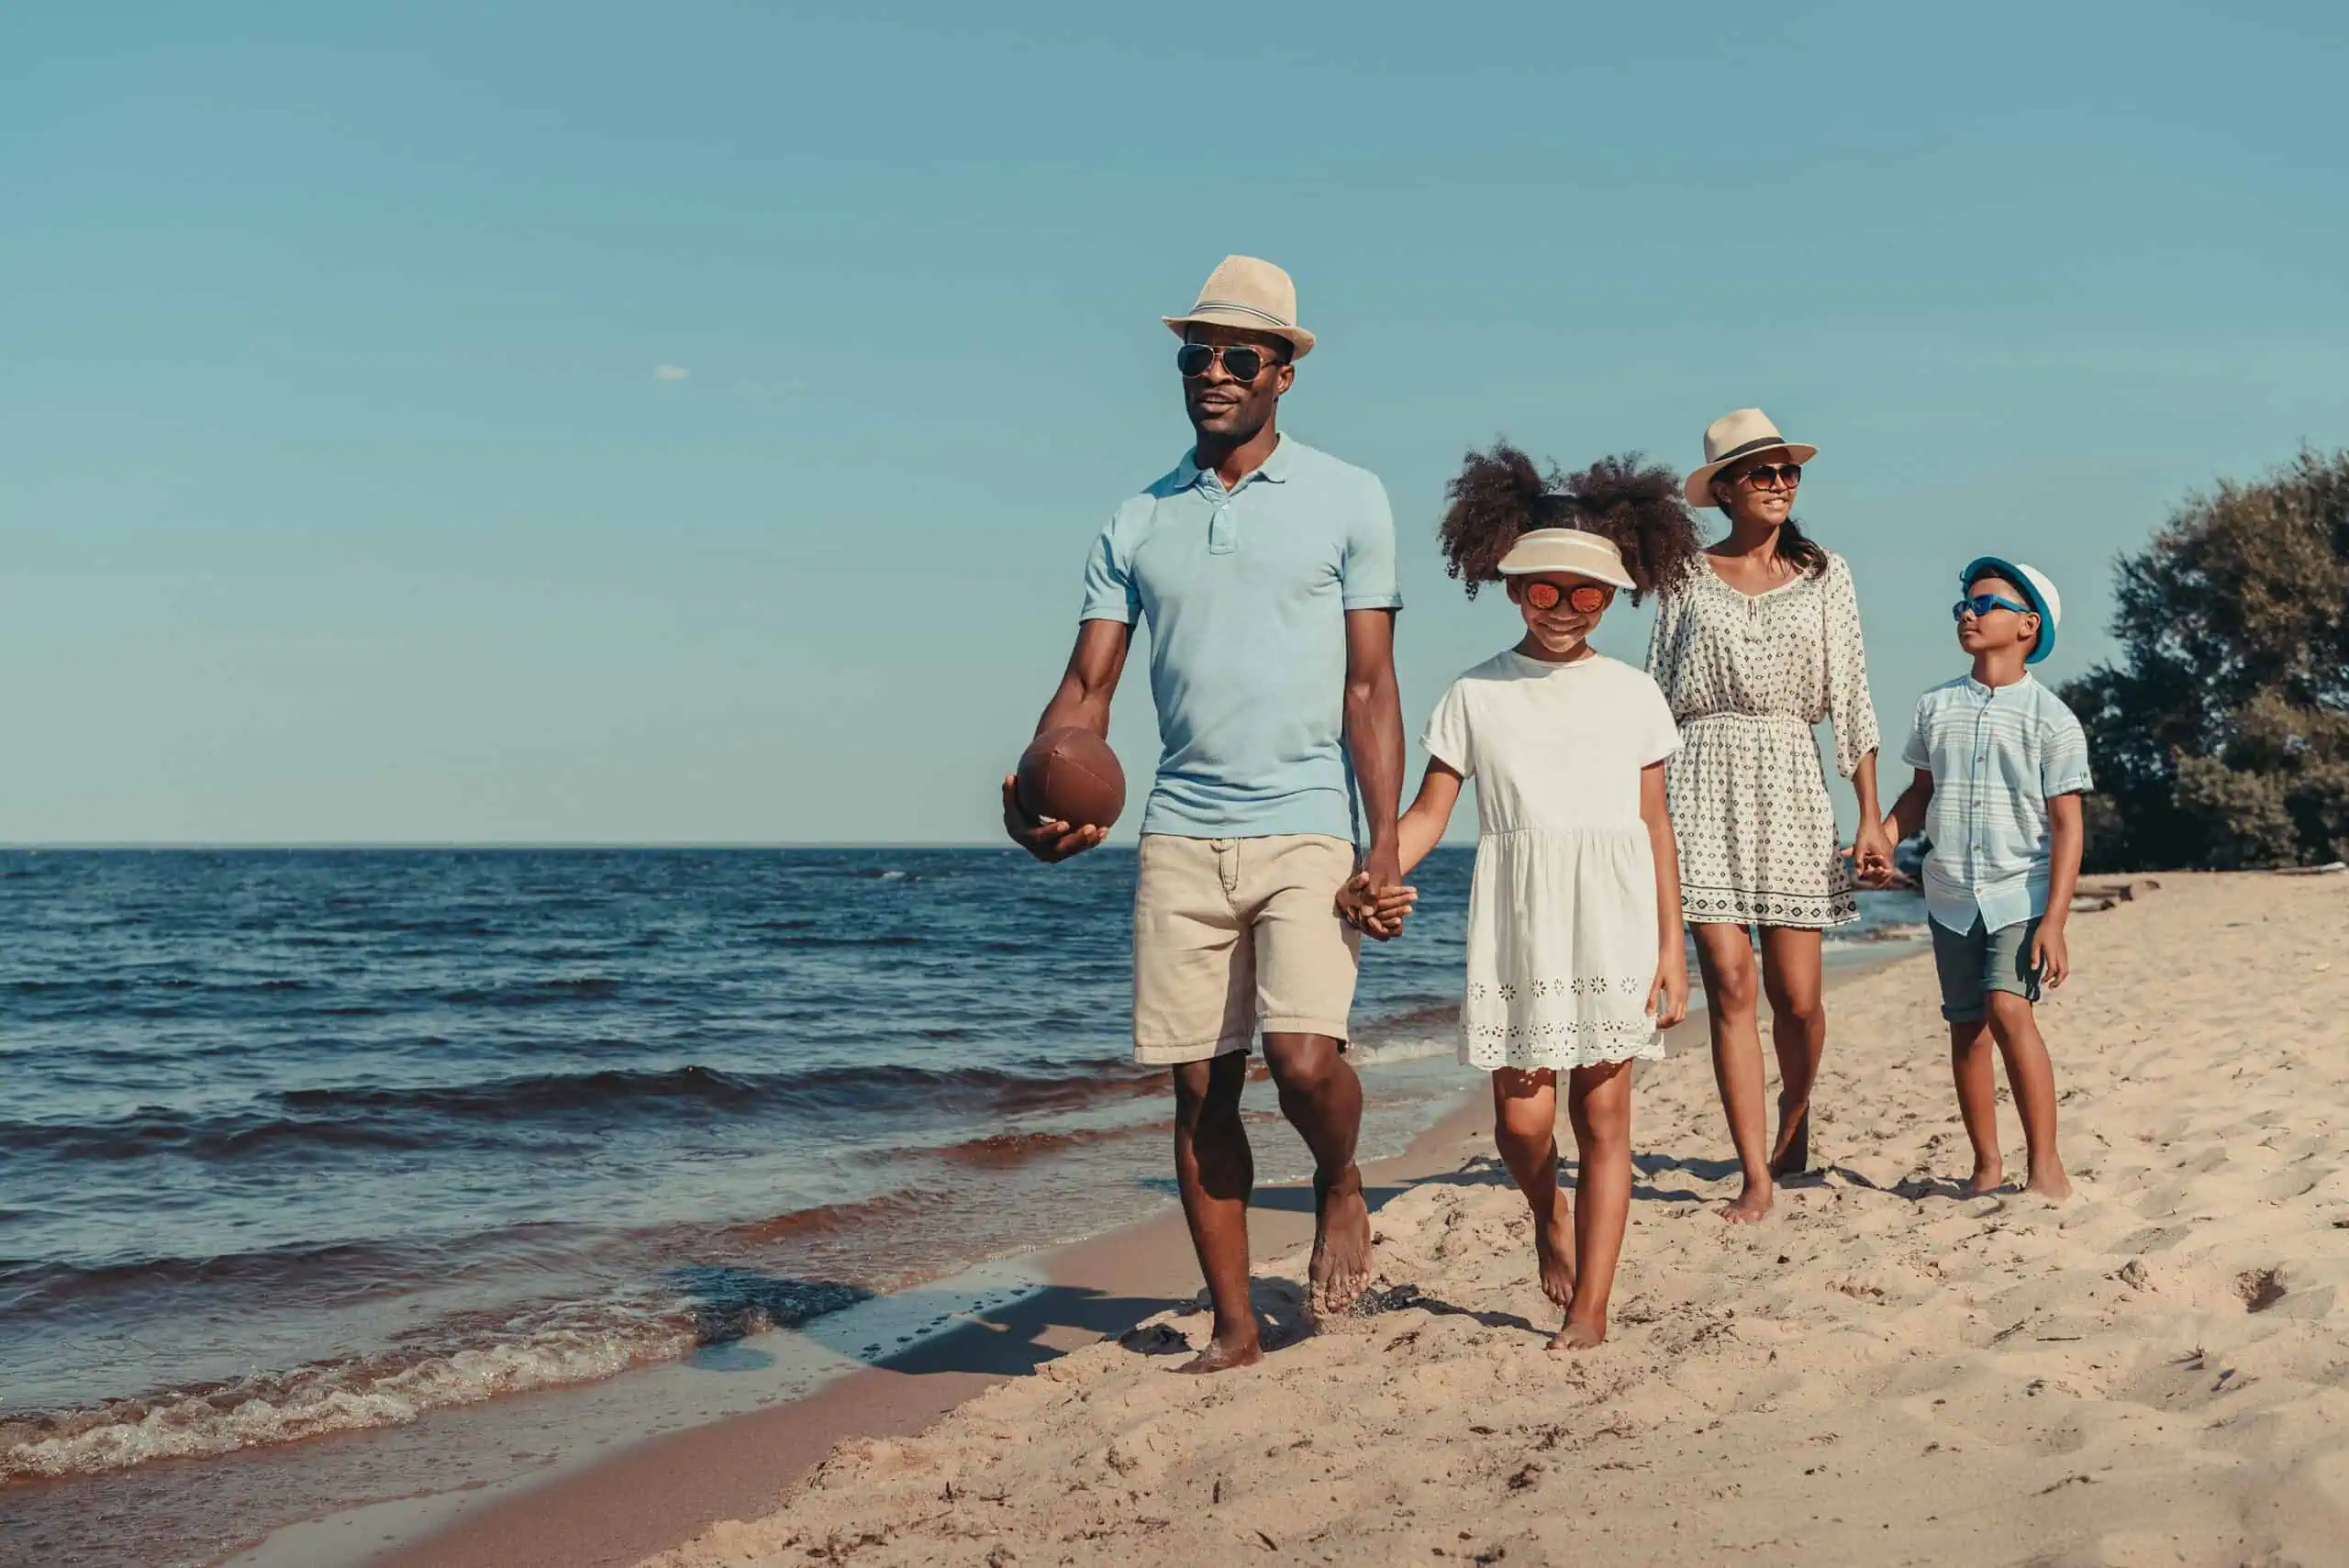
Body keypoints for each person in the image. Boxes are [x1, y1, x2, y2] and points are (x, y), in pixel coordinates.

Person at [1001, 256, 1408, 1373]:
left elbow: (1370, 686)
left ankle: (1336, 1175)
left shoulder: (1349, 496)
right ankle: (1233, 1324)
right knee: (1199, 1081)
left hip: (1306, 819)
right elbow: (1086, 690)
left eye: (1238, 356)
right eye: (1196, 355)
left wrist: (1384, 846)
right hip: (1180, 827)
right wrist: (1034, 781)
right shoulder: (1137, 518)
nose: (1212, 373)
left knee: (1304, 1058)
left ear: (1283, 373)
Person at [1344, 445, 1695, 1349]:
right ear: (1511, 587)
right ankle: (1547, 1208)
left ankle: (1590, 1308)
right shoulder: (1474, 694)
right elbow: (1427, 811)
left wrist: (1672, 946)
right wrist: (1377, 867)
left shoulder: (1634, 694)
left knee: (1605, 1116)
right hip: (1520, 926)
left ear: (1615, 594)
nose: (1565, 609)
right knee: (1521, 1122)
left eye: (1587, 594)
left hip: (1614, 922)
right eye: (1545, 590)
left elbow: (1655, 826)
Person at [1646, 408, 1892, 1222]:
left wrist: (1870, 816)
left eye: (1790, 471)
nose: (1781, 483)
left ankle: (1795, 1120)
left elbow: (1852, 697)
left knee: (1799, 997)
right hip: (1701, 777)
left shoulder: (1831, 574)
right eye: (1762, 472)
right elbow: (1653, 695)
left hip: (1791, 778)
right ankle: (1754, 1172)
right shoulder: (1683, 572)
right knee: (1730, 982)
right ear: (1724, 489)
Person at [1873, 558, 2087, 1202]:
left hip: (2019, 891)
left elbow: (2068, 827)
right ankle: (1987, 1163)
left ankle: (2045, 1164)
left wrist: (2054, 921)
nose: (1968, 612)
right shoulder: (1935, 705)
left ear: (2028, 625)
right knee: (1965, 1023)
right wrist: (1884, 835)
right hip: (1949, 894)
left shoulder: (2052, 719)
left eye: (1985, 603)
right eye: (1962, 604)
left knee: (2007, 1007)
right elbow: (1919, 794)